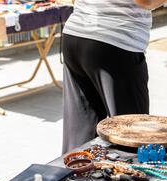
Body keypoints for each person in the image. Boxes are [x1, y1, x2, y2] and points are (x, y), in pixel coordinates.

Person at [62, 0, 167, 153]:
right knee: (132, 136)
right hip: (114, 41)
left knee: (80, 135)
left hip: (76, 33)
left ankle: (73, 174)